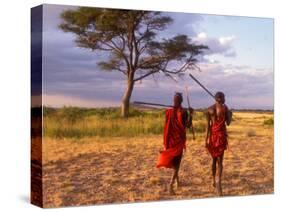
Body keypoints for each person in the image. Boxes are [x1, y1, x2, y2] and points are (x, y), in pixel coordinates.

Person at [156, 92, 193, 194]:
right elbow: (188, 126)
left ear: (178, 101)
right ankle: (171, 185)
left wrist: (189, 113)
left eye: (175, 100)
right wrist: (191, 115)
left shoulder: (170, 111)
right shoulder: (181, 112)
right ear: (181, 101)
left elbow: (185, 125)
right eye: (175, 100)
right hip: (176, 141)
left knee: (176, 162)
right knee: (177, 163)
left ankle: (177, 181)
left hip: (171, 141)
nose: (175, 101)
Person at [205, 91, 232, 196]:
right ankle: (218, 183)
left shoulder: (209, 109)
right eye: (224, 97)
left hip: (212, 137)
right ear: (219, 98)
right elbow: (228, 123)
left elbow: (208, 127)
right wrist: (230, 113)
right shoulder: (225, 109)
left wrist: (205, 140)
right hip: (220, 137)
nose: (225, 99)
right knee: (220, 162)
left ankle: (214, 180)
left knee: (214, 160)